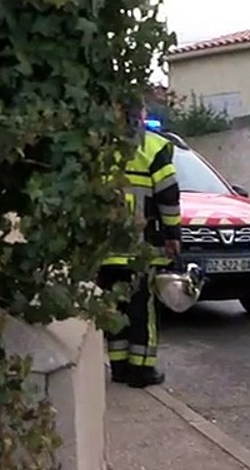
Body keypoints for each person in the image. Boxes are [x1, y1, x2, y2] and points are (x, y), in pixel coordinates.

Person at [98, 105, 182, 388]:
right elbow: (168, 197)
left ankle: (119, 367)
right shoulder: (154, 147)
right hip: (141, 249)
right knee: (142, 311)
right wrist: (173, 235)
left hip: (107, 249)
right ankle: (142, 370)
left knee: (114, 308)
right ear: (141, 115)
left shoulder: (101, 146)